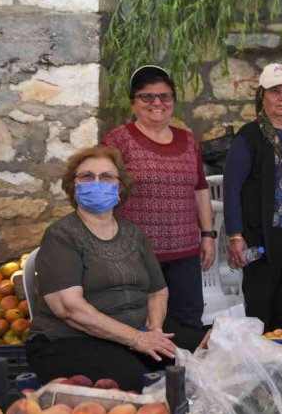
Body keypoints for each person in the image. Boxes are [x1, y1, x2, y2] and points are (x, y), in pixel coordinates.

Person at [28, 147, 180, 392]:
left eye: (107, 177)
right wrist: (136, 338)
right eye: (87, 176)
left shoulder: (134, 234)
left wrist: (154, 330)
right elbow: (69, 308)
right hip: (71, 342)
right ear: (73, 186)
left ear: (119, 187)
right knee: (139, 381)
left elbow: (157, 291)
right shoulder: (61, 235)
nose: (97, 182)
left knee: (199, 357)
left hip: (134, 334)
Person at [102, 65, 213, 350]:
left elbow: (200, 188)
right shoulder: (118, 141)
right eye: (147, 97)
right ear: (133, 102)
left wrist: (208, 236)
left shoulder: (188, 141)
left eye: (165, 96)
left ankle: (183, 385)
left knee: (187, 324)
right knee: (142, 327)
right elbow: (103, 189)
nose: (157, 103)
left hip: (185, 253)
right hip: (135, 255)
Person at [224, 63, 282, 331]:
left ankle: (279, 363)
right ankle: (258, 364)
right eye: (275, 92)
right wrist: (236, 236)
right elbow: (231, 187)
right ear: (263, 95)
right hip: (262, 237)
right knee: (260, 307)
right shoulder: (249, 136)